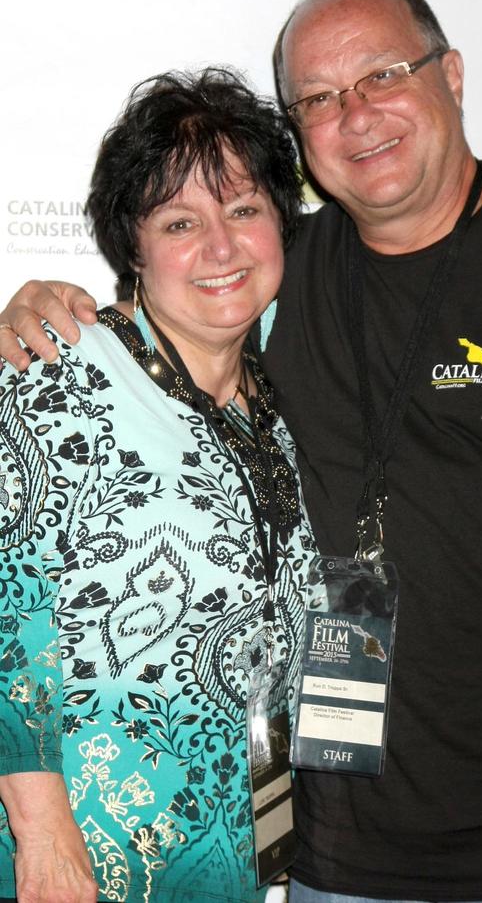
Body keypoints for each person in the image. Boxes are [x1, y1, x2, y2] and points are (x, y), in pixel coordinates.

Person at [2, 0, 482, 903]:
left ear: (453, 76)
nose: (357, 114)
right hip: (320, 867)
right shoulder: (255, 297)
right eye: (318, 97)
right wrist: (39, 314)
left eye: (384, 74)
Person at [0, 67, 315, 903]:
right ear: (131, 247)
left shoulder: (279, 394)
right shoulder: (53, 375)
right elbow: (6, 612)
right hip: (74, 854)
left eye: (245, 209)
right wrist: (41, 835)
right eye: (181, 221)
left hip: (223, 857)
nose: (222, 247)